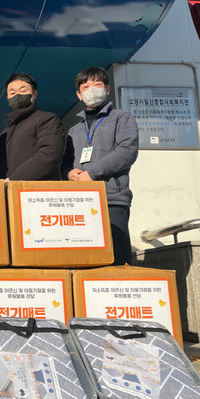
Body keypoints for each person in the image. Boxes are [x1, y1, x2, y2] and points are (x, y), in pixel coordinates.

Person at [61, 66, 139, 265]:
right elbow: (65, 162)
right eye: (86, 87)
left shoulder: (122, 118)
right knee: (86, 259)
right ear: (79, 95)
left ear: (107, 89)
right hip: (81, 201)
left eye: (97, 85)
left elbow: (127, 152)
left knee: (118, 259)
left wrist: (92, 173)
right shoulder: (74, 130)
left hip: (111, 198)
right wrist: (68, 174)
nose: (92, 90)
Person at [0, 72, 65, 180]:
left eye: (23, 91)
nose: (17, 95)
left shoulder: (47, 119)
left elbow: (50, 154)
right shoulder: (5, 133)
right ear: (8, 98)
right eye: (12, 92)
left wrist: (14, 179)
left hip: (36, 189)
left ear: (34, 94)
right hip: (9, 189)